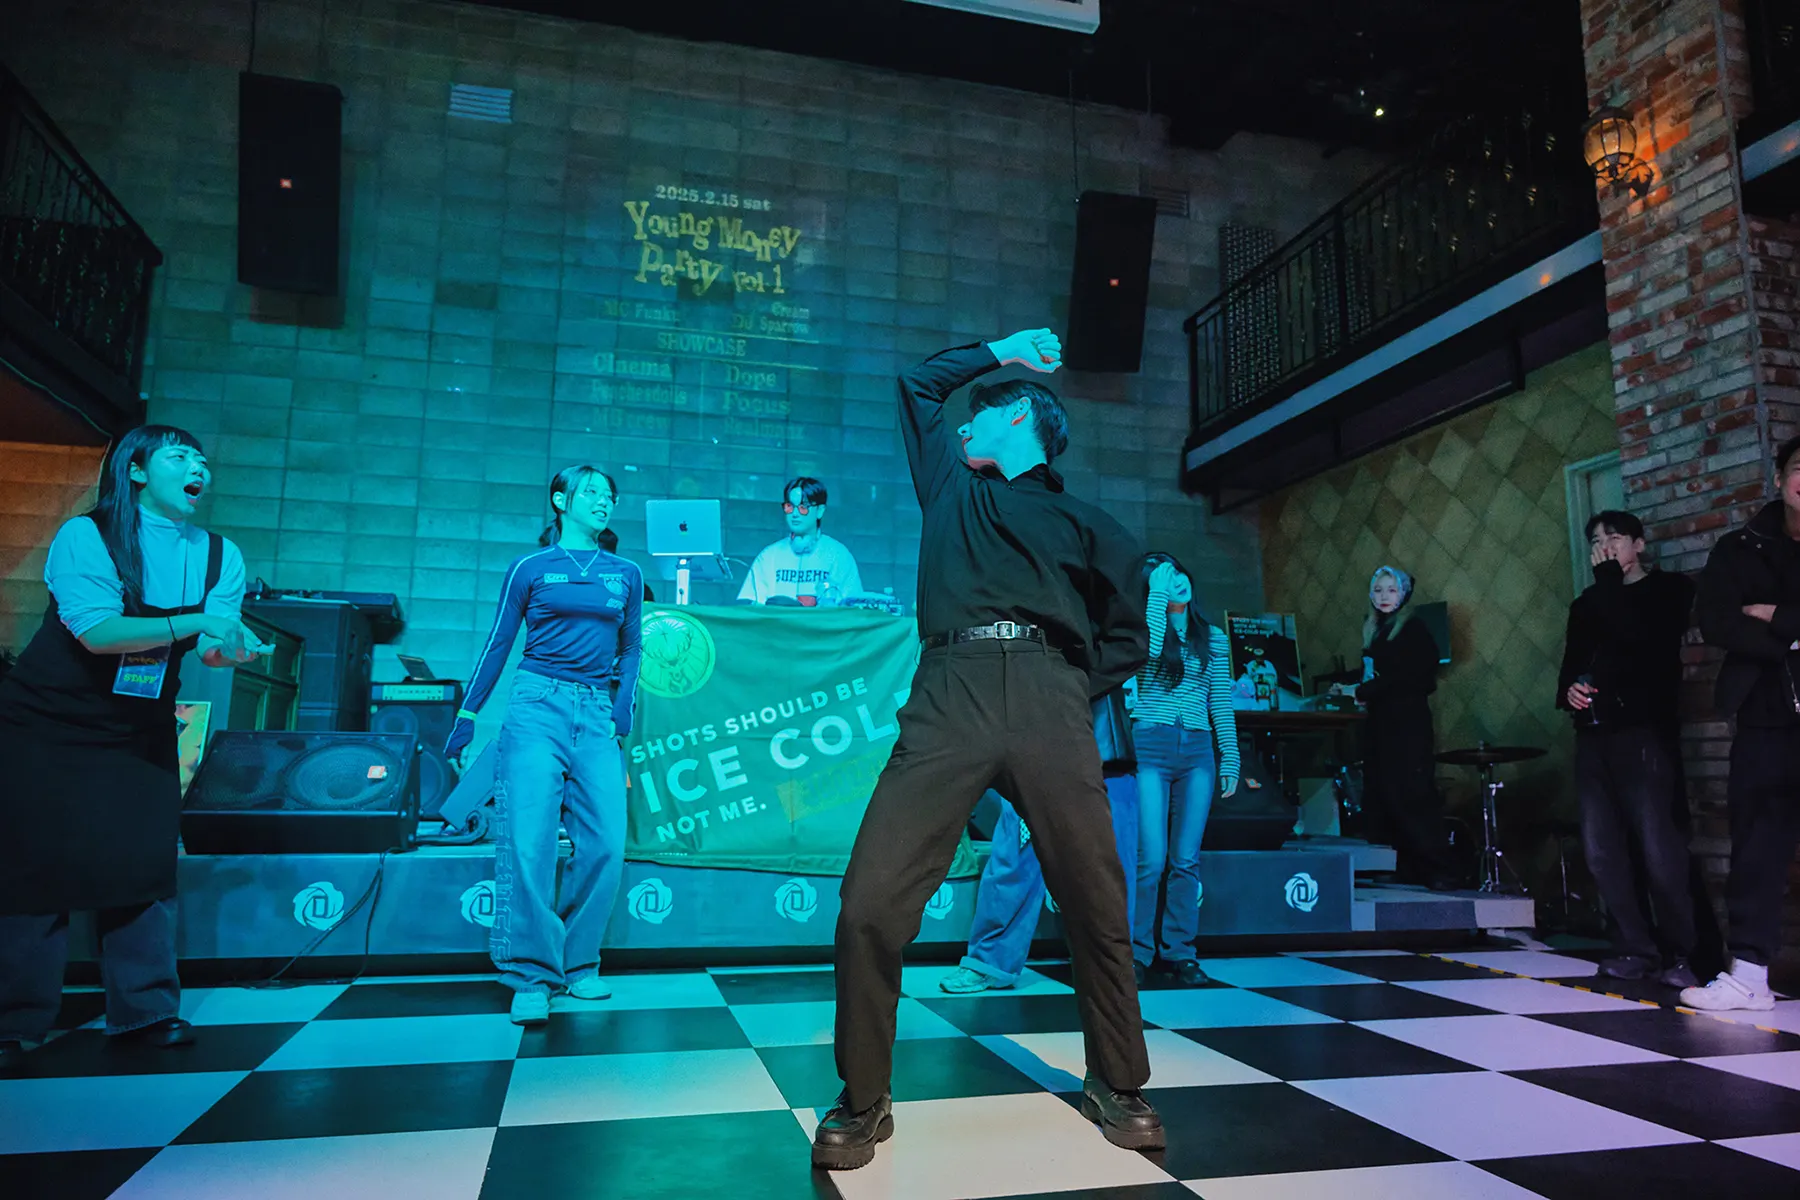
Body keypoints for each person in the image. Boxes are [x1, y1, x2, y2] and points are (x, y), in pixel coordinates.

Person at [814, 329, 1160, 1172]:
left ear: (1021, 420)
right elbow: (917, 384)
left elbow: (1128, 633)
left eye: (983, 413)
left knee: (1096, 900)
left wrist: (1065, 690)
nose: (964, 426)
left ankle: (1118, 1082)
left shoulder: (1088, 523)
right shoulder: (952, 489)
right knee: (868, 902)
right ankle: (864, 1097)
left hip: (1050, 697)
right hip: (950, 692)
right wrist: (1002, 350)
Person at [0, 426, 261, 1073]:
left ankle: (144, 1011)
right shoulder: (86, 535)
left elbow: (211, 649)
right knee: (33, 866)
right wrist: (199, 622)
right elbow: (97, 632)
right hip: (48, 721)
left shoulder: (219, 554)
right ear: (137, 471)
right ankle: (13, 1018)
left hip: (139, 725)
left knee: (142, 863)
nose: (198, 466)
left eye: (202, 458)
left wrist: (232, 650)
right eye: (179, 455)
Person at [445, 465, 643, 1026]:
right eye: (591, 493)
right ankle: (532, 975)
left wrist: (622, 711)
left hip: (596, 711)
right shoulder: (530, 568)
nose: (604, 501)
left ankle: (578, 963)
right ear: (561, 500)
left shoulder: (625, 572)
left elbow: (632, 649)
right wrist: (467, 715)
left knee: (606, 842)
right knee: (528, 843)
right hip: (536, 705)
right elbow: (498, 643)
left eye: (609, 495)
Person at [1556, 511, 1699, 987]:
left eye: (1615, 538)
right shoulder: (1586, 604)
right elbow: (1571, 665)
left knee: (1660, 848)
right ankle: (1636, 947)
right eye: (1596, 541)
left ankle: (1684, 954)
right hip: (1594, 733)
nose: (1605, 547)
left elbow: (1643, 642)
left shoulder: (1668, 590)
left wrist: (1609, 584)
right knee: (1602, 849)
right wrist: (1571, 691)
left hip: (1644, 731)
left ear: (1638, 544)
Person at [1683, 434, 1800, 1012]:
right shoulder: (1741, 546)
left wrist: (1778, 615)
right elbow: (1718, 621)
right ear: (1779, 478)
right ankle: (1750, 976)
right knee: (1758, 845)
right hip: (1765, 714)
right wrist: (1792, 641)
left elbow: (1755, 620)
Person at [936, 687, 1139, 995]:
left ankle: (1111, 966)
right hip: (1033, 741)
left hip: (1103, 750)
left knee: (1110, 867)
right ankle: (990, 962)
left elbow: (1122, 660)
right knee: (1014, 860)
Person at [1132, 554, 1240, 987]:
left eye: (1177, 572)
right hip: (1151, 745)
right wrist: (1157, 598)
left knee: (1185, 859)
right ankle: (1136, 953)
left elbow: (1220, 701)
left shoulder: (1212, 637)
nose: (1175, 580)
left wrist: (1230, 755)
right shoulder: (1145, 629)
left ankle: (1179, 952)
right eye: (1163, 577)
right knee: (1150, 859)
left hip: (1196, 750)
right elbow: (1148, 656)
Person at [1343, 566, 1456, 889]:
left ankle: (1439, 869)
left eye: (1391, 590)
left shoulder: (1413, 629)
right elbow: (1377, 675)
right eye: (1378, 590)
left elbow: (1413, 676)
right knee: (1385, 794)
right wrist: (1352, 686)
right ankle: (1402, 866)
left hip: (1407, 726)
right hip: (1382, 725)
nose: (1384, 596)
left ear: (1403, 594)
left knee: (1412, 795)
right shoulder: (1377, 630)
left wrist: (1362, 691)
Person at [737, 476, 863, 605]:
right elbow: (751, 606)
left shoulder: (838, 555)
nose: (795, 514)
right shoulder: (769, 556)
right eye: (789, 506)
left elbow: (853, 608)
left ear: (820, 511)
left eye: (803, 507)